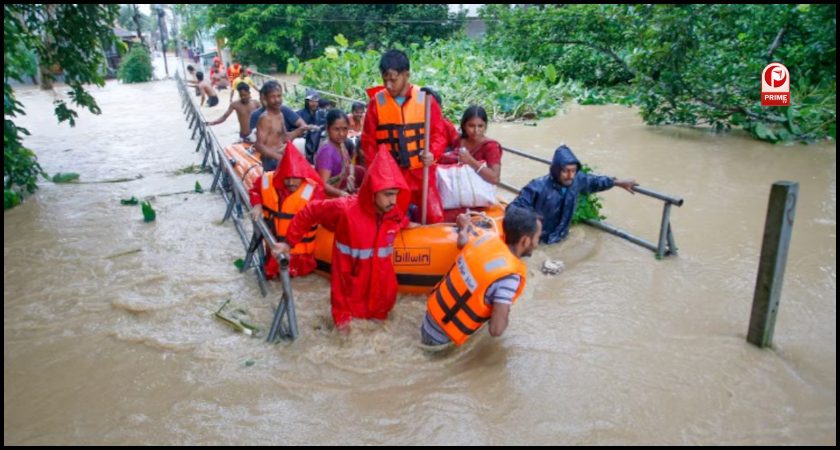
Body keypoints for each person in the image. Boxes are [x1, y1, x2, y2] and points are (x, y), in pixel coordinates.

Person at [272, 151, 411, 329]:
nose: (393, 200)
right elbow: (310, 211)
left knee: (378, 339)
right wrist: (287, 242)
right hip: (348, 294)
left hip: (380, 296)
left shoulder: (393, 214)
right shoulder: (345, 209)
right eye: (388, 194)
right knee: (345, 339)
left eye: (395, 194)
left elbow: (401, 221)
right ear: (373, 191)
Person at [420, 206, 541, 348]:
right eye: (537, 238)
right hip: (442, 341)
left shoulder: (486, 239)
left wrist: (464, 227)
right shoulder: (509, 278)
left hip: (428, 321)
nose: (537, 244)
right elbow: (496, 330)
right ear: (525, 241)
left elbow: (462, 242)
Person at [361, 49, 448, 224]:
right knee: (393, 220)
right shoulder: (376, 103)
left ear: (406, 75)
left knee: (434, 217)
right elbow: (368, 142)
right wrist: (375, 173)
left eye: (393, 79)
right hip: (392, 175)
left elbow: (439, 135)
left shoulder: (426, 99)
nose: (388, 85)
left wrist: (433, 154)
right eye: (385, 79)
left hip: (422, 172)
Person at [511, 144, 637, 244]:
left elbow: (596, 182)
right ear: (556, 170)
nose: (570, 176)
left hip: (561, 236)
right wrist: (534, 222)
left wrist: (618, 183)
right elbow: (514, 208)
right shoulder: (537, 187)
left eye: (573, 171)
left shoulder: (577, 180)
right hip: (540, 240)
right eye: (566, 171)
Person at [249, 141, 325, 278]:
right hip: (274, 250)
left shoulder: (315, 191)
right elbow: (254, 190)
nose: (290, 182)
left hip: (300, 256)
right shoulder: (266, 180)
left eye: (295, 178)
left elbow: (308, 220)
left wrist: (288, 243)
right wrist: (257, 204)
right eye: (287, 178)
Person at [254, 81, 308, 171]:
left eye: (279, 96)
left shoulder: (280, 115)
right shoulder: (265, 118)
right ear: (265, 98)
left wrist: (300, 130)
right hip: (270, 161)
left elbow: (284, 138)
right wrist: (279, 157)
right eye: (273, 97)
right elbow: (259, 146)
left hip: (281, 155)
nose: (277, 100)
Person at [315, 109, 367, 197]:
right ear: (328, 129)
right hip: (329, 199)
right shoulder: (327, 151)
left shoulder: (341, 145)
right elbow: (323, 184)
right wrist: (342, 194)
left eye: (345, 129)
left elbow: (350, 163)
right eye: (336, 129)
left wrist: (351, 175)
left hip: (341, 190)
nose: (341, 133)